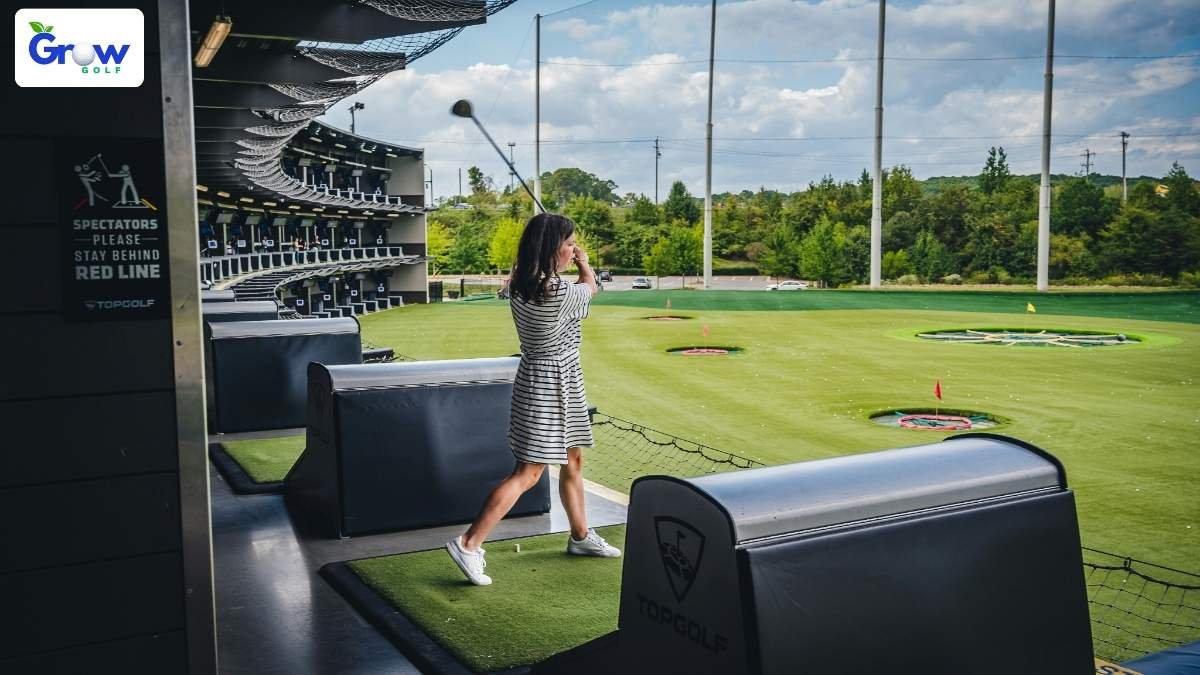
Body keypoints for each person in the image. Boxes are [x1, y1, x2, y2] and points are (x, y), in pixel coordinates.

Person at [446, 213, 619, 586]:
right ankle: (469, 542)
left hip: (555, 377)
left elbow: (543, 274)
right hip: (549, 383)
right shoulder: (555, 291)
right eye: (570, 243)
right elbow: (591, 288)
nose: (574, 249)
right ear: (552, 248)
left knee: (574, 458)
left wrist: (564, 254)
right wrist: (586, 264)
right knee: (529, 472)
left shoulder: (521, 282)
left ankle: (580, 536)